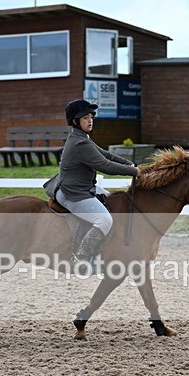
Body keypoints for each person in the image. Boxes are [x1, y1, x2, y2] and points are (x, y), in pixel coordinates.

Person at [47, 98, 140, 269]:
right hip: (73, 194)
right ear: (75, 121)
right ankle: (79, 257)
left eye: (91, 117)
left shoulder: (83, 138)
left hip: (82, 188)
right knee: (104, 220)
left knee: (114, 202)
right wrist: (135, 172)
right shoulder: (80, 143)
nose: (90, 120)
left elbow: (106, 155)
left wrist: (129, 164)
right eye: (85, 118)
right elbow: (105, 165)